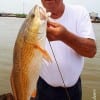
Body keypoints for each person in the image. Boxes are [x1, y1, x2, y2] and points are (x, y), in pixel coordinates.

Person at [35, 0, 97, 100]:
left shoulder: (79, 12)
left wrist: (65, 36)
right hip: (43, 87)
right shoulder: (35, 17)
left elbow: (91, 51)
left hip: (73, 90)